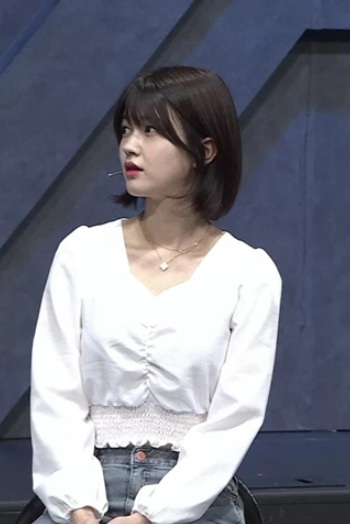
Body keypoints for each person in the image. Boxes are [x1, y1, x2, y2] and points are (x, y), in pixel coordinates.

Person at [30, 65, 282, 524]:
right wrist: (79, 508)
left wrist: (152, 516)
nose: (130, 145)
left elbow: (235, 417)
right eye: (127, 129)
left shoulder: (249, 273)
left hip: (195, 501)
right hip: (84, 490)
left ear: (205, 150)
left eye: (151, 131)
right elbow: (55, 395)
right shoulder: (82, 253)